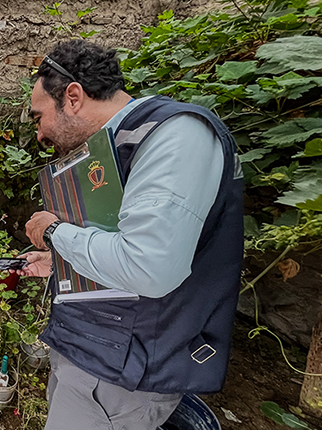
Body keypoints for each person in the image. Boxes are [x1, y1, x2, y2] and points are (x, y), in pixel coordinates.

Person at [14, 40, 243, 430]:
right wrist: (60, 263)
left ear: (73, 97)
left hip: (123, 374)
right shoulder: (117, 146)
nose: (39, 134)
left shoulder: (175, 135)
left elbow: (148, 267)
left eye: (39, 117)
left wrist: (55, 231)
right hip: (99, 359)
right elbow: (126, 243)